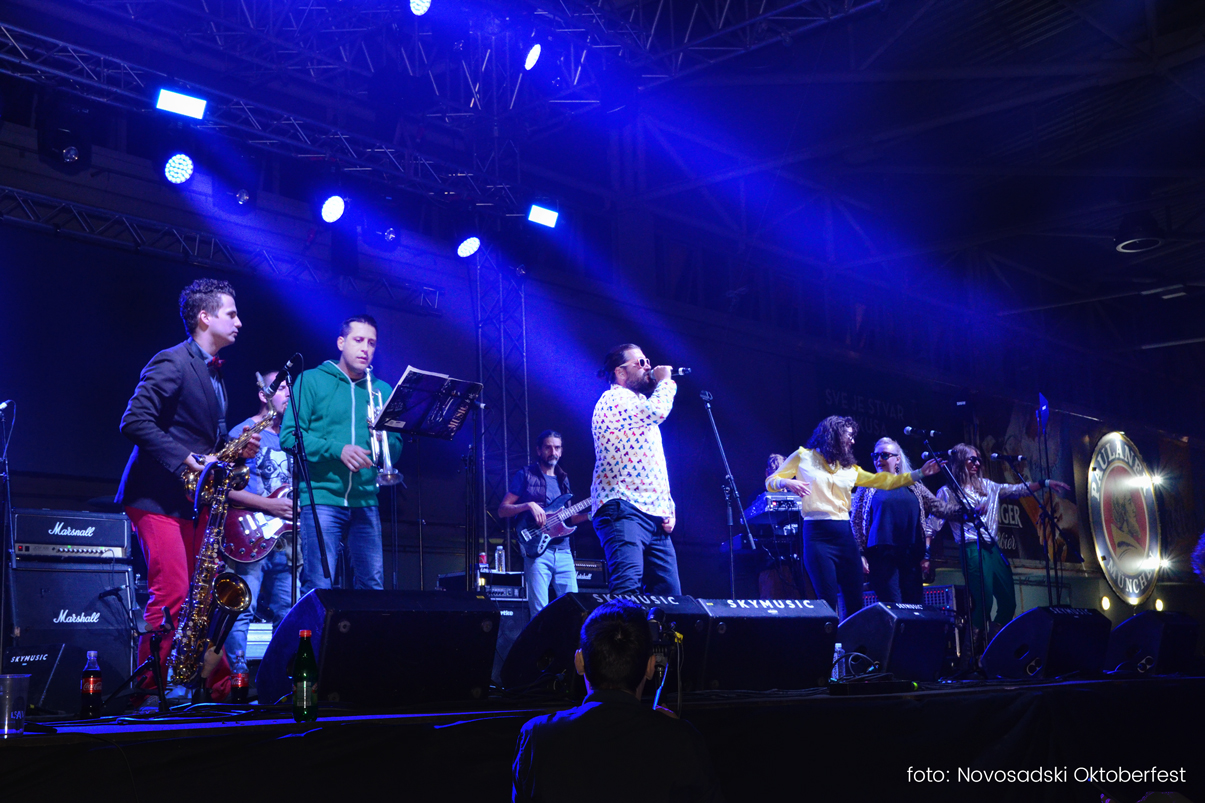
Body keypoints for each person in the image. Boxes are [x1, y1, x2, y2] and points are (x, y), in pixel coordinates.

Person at [116, 278, 260, 701]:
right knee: (173, 592)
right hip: (155, 497)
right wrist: (186, 459)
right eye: (231, 313)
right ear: (205, 317)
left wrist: (234, 450)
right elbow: (133, 421)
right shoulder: (172, 360)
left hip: (191, 501)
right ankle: (151, 693)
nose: (239, 321)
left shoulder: (215, 373)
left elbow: (202, 440)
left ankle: (211, 687)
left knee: (205, 596)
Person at [512, 599, 724, 803]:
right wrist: (675, 733)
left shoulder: (536, 736)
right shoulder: (682, 740)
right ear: (651, 666)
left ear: (579, 662)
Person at [766, 416, 942, 617]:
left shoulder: (849, 469)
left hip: (844, 535)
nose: (852, 441)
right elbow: (771, 481)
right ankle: (830, 637)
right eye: (849, 436)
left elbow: (885, 481)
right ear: (834, 435)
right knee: (828, 599)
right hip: (817, 535)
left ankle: (852, 638)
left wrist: (919, 473)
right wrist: (787, 482)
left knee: (855, 600)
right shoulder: (803, 456)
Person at [279, 315, 403, 593]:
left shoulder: (382, 390)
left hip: (366, 500)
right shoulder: (311, 380)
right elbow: (289, 437)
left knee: (372, 586)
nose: (365, 349)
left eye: (371, 343)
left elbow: (395, 448)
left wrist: (384, 440)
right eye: (358, 340)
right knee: (319, 585)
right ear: (341, 342)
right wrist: (338, 450)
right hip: (322, 498)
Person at [933, 443, 1071, 640]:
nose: (977, 463)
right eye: (972, 459)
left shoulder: (988, 486)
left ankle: (994, 642)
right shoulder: (948, 492)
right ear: (961, 460)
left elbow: (1017, 490)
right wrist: (926, 554)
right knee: (983, 600)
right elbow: (933, 523)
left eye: (979, 460)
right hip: (972, 547)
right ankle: (972, 649)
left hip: (993, 547)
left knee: (1008, 601)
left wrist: (1044, 483)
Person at [590, 344, 680, 595]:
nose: (648, 366)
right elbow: (658, 410)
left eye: (647, 361)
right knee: (626, 591)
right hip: (624, 507)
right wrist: (666, 381)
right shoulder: (615, 399)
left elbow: (652, 462)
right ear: (620, 372)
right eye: (640, 363)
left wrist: (667, 506)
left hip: (653, 512)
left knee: (670, 597)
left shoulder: (638, 403)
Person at [224, 370, 298, 662]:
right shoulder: (244, 432)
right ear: (262, 394)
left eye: (291, 388)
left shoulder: (295, 438)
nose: (288, 393)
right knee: (241, 611)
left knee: (289, 614)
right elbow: (225, 490)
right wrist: (269, 506)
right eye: (280, 388)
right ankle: (236, 678)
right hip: (250, 535)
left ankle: (279, 679)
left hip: (288, 542)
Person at [850, 437, 960, 604]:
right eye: (875, 455)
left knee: (914, 605)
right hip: (882, 555)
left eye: (885, 455)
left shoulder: (913, 485)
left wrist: (964, 512)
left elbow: (938, 507)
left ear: (897, 459)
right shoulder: (868, 486)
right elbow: (856, 522)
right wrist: (860, 554)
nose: (879, 459)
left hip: (910, 554)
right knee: (893, 604)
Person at [499, 430, 587, 617]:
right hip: (538, 553)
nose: (553, 452)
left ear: (561, 451)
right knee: (540, 613)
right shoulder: (526, 475)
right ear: (539, 450)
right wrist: (528, 505)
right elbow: (503, 509)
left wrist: (591, 515)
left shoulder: (563, 479)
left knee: (574, 612)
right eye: (548, 447)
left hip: (564, 552)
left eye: (557, 448)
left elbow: (570, 518)